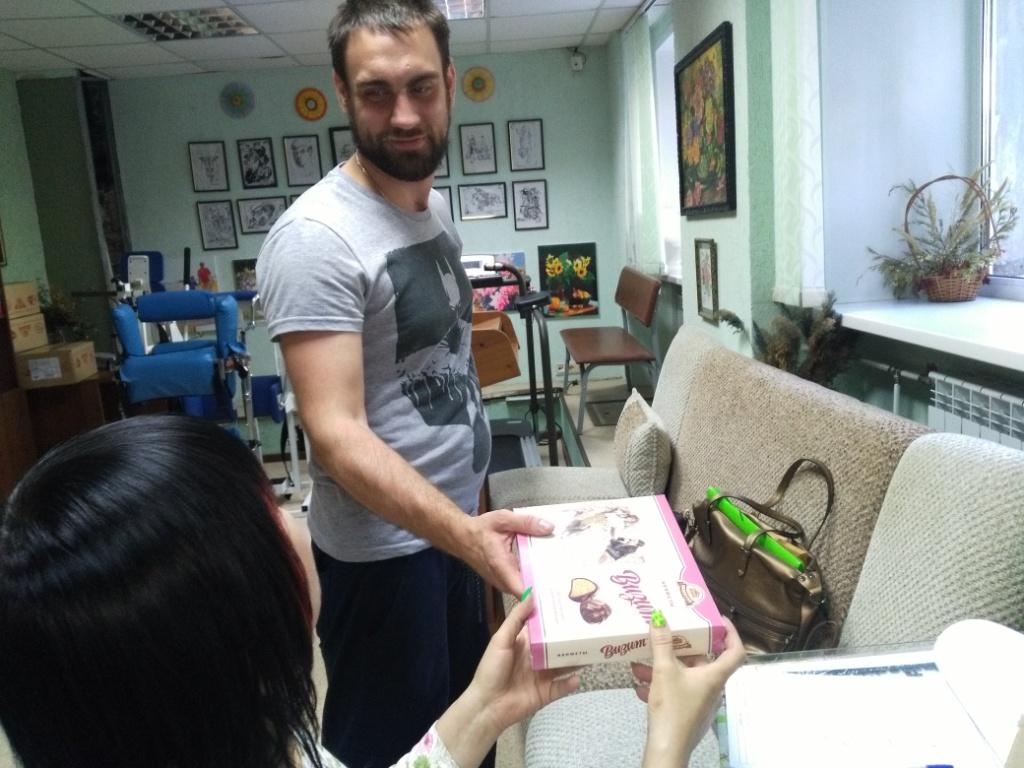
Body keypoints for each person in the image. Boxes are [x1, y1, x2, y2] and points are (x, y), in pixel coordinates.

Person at [256, 2, 552, 765]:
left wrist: (470, 518)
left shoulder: (435, 211)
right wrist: (464, 534)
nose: (405, 114)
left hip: (452, 534)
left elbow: (443, 368)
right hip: (385, 560)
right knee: (396, 749)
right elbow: (336, 433)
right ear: (343, 93)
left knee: (472, 732)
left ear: (450, 82)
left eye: (420, 86)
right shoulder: (316, 240)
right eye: (377, 92)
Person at [0, 415, 581, 768]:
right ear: (235, 619)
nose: (297, 517)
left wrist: (483, 708)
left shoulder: (247, 733)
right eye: (272, 516)